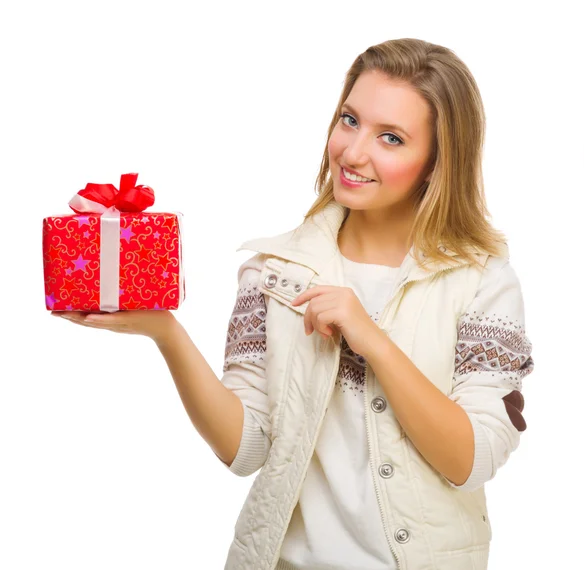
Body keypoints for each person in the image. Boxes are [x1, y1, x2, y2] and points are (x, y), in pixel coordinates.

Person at [52, 38, 534, 570]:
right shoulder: (273, 272)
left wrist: (370, 338)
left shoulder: (482, 282)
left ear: (437, 161)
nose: (353, 153)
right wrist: (166, 332)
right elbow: (248, 449)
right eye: (349, 121)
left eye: (391, 138)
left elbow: (472, 460)